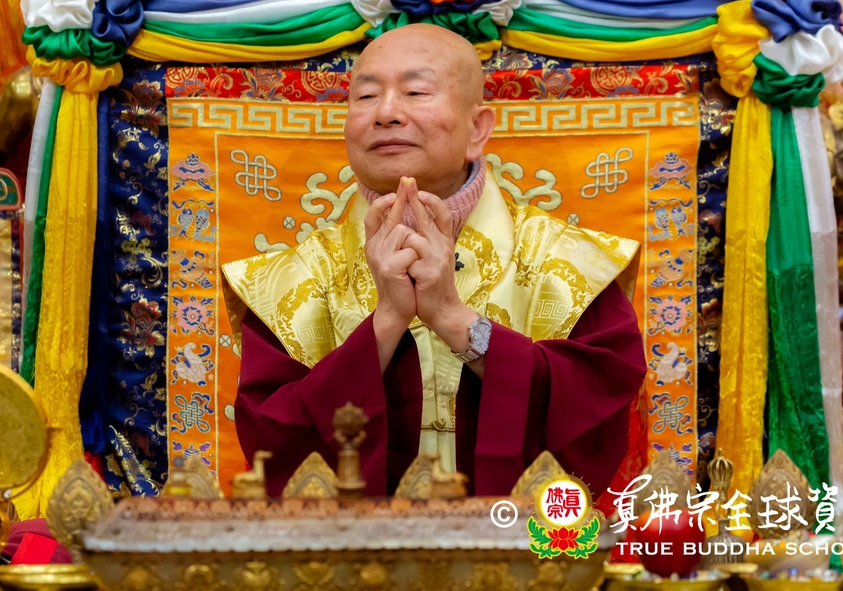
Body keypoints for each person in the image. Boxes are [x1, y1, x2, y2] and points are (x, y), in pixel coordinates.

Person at [222, 24, 647, 499]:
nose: (386, 112)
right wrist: (385, 323)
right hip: (349, 544)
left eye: (415, 92)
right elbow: (272, 442)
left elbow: (596, 412)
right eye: (366, 96)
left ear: (477, 129)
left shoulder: (567, 262)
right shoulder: (291, 280)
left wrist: (454, 318)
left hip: (518, 540)